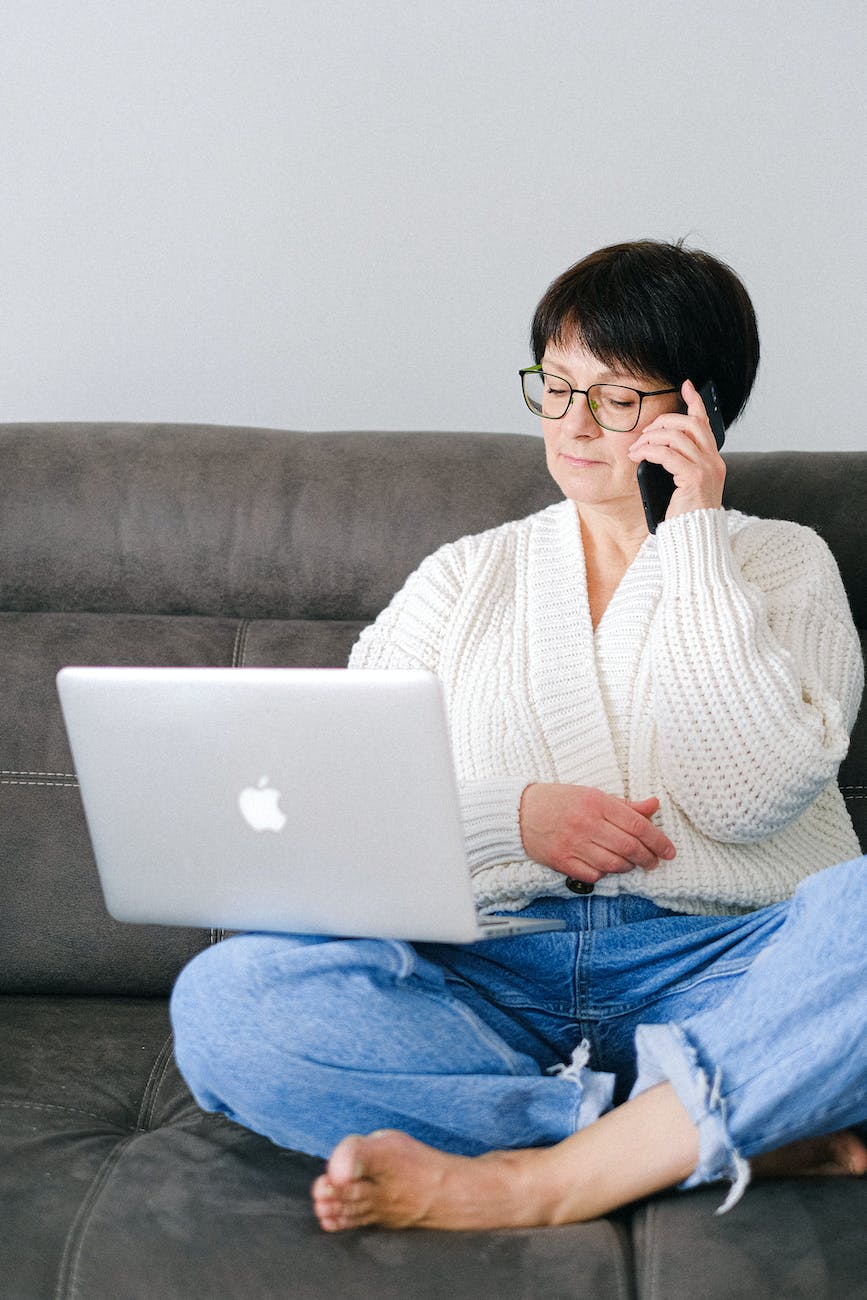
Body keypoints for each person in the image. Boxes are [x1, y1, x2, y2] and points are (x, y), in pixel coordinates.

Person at [169, 239, 867, 1233]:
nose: (575, 425)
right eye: (558, 385)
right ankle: (675, 1126)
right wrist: (514, 818)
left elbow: (744, 795)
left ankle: (536, 1178)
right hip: (493, 973)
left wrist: (695, 542)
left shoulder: (783, 563)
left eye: (618, 397)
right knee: (227, 1000)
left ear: (695, 410)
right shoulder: (460, 578)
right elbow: (333, 801)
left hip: (727, 965)